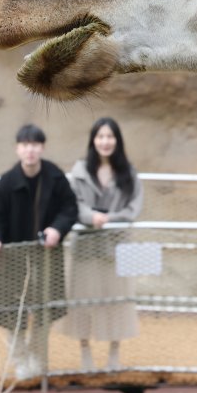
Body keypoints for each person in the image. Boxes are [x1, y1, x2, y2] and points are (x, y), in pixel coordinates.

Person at [0, 124, 78, 379]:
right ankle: (20, 359)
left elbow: (70, 209)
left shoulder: (56, 177)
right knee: (12, 314)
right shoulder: (7, 181)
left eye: (35, 144)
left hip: (47, 257)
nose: (30, 150)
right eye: (25, 145)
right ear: (18, 149)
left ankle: (37, 356)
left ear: (42, 148)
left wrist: (57, 229)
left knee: (46, 310)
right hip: (13, 259)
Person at [63, 117, 143, 372]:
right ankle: (85, 353)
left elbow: (134, 207)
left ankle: (114, 355)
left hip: (117, 244)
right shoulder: (80, 170)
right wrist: (90, 217)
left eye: (110, 137)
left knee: (117, 300)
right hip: (86, 243)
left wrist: (109, 219)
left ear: (117, 141)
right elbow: (72, 203)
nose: (105, 142)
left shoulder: (128, 173)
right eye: (100, 137)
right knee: (83, 299)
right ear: (93, 140)